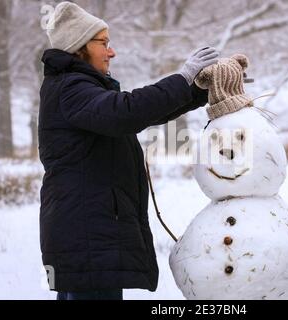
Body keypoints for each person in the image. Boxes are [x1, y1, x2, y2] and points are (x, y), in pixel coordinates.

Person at [38, 1, 219, 300]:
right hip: (87, 237)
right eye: (104, 43)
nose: (112, 52)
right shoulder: (71, 88)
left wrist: (199, 90)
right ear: (79, 46)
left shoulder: (79, 87)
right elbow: (127, 112)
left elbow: (141, 114)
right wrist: (183, 76)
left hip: (88, 235)